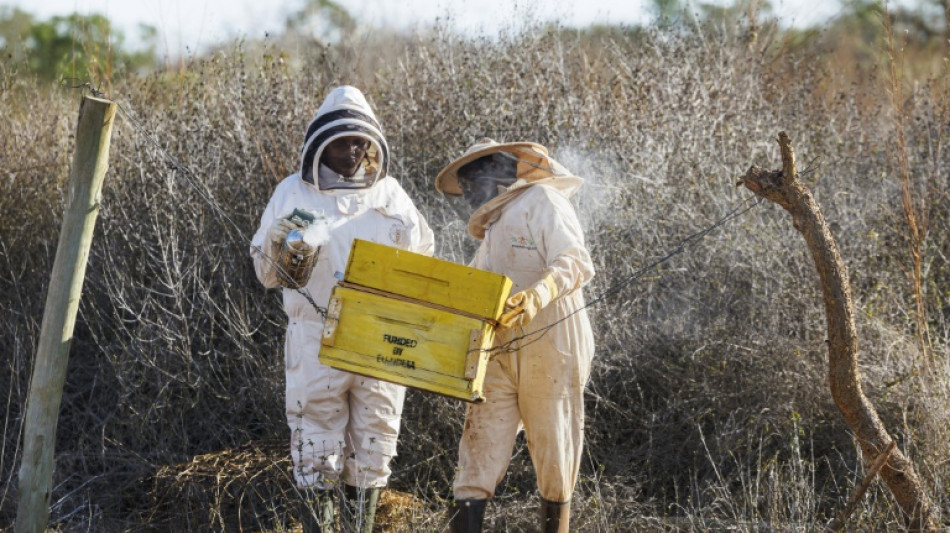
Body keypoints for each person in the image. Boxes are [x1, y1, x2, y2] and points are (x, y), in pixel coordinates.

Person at [250, 85, 434, 532]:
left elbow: (425, 260)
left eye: (359, 141)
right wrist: (282, 240)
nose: (352, 149)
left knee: (375, 445)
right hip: (315, 336)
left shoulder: (391, 195)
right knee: (316, 446)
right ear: (321, 142)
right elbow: (265, 273)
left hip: (381, 336)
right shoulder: (292, 193)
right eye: (342, 140)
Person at [434, 139, 596, 533]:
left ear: (503, 172)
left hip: (554, 345)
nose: (468, 188)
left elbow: (575, 261)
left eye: (474, 176)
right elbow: (473, 292)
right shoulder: (492, 229)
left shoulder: (543, 200)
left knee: (555, 455)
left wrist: (537, 294)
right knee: (477, 451)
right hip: (500, 352)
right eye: (465, 180)